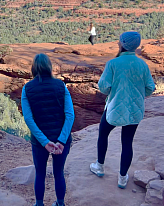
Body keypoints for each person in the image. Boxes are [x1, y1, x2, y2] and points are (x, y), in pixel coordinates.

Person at [90, 31, 155, 189]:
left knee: (103, 133)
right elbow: (150, 88)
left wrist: (114, 90)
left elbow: (103, 87)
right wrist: (139, 95)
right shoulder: (142, 64)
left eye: (120, 41)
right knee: (127, 142)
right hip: (134, 109)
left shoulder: (113, 63)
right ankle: (122, 178)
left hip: (114, 107)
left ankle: (99, 166)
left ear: (123, 44)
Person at [22, 54, 75, 206]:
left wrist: (45, 142)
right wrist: (61, 141)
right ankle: (60, 203)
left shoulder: (27, 88)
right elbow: (70, 115)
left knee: (40, 173)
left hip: (39, 143)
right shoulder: (61, 85)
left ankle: (39, 204)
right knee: (59, 173)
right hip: (61, 141)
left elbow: (28, 119)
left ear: (34, 68)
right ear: (49, 67)